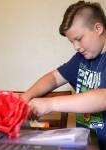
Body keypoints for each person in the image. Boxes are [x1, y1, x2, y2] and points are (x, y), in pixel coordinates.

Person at [21, 1, 106, 149]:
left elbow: (103, 97)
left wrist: (50, 104)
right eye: (71, 42)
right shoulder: (82, 58)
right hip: (89, 144)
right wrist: (24, 99)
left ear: (98, 28)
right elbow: (53, 78)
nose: (76, 47)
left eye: (78, 39)